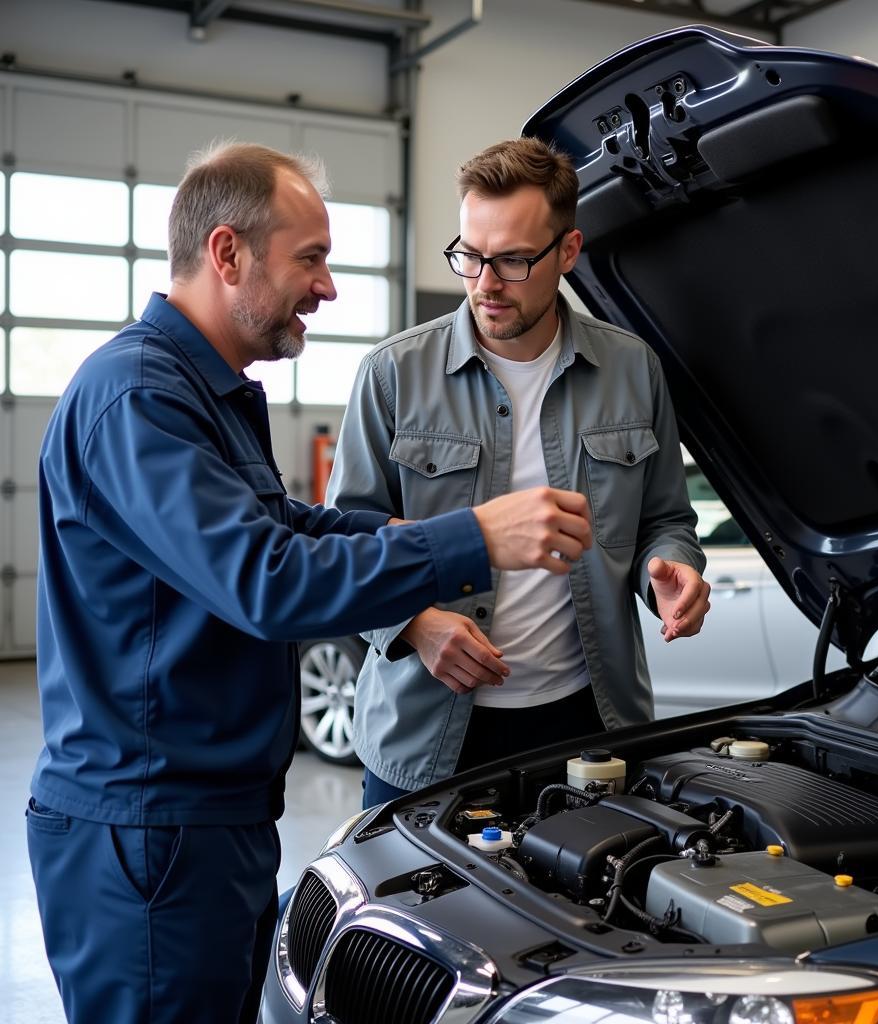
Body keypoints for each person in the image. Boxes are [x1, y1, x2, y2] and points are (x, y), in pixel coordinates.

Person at [25, 141, 593, 1024]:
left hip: (209, 823)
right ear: (227, 254)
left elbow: (286, 526)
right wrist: (470, 537)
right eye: (312, 258)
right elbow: (267, 581)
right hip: (147, 831)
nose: (327, 287)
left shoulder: (210, 392)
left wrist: (389, 534)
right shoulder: (138, 398)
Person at [327, 137, 711, 808]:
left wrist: (672, 571)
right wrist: (414, 624)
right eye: (469, 256)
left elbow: (665, 519)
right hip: (427, 735)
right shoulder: (393, 376)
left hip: (589, 727)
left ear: (567, 252)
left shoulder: (632, 370)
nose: (485, 283)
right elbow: (344, 542)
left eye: (510, 260)